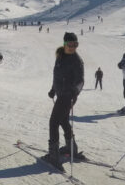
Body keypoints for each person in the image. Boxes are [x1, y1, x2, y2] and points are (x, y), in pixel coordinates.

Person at [42, 32, 85, 172]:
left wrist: (75, 92)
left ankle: (54, 156)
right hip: (61, 94)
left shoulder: (76, 61)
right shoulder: (60, 56)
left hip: (68, 96)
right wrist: (53, 89)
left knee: (53, 122)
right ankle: (70, 148)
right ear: (64, 44)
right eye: (70, 44)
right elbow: (57, 76)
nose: (72, 47)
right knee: (63, 120)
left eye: (75, 44)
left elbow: (80, 81)